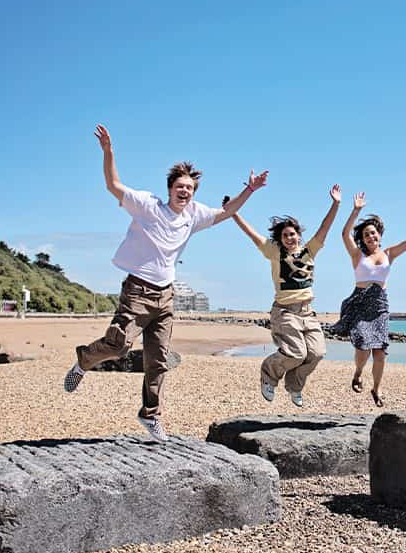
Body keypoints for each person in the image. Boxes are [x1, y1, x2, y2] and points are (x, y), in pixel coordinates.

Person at [63, 124, 268, 441]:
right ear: (170, 187)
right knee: (118, 345)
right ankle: (83, 360)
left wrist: (250, 190)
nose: (185, 191)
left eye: (190, 188)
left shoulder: (194, 215)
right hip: (137, 291)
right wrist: (108, 151)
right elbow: (113, 185)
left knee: (157, 360)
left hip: (166, 296)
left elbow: (227, 212)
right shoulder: (148, 206)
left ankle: (150, 415)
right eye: (180, 186)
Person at [225, 184, 342, 407]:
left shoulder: (310, 250)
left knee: (316, 353)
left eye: (293, 234)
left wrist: (335, 204)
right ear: (280, 238)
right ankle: (268, 375)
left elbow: (325, 226)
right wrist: (234, 213)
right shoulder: (274, 252)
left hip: (308, 313)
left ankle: (294, 387)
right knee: (296, 354)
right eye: (285, 235)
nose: (289, 238)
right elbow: (251, 234)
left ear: (299, 236)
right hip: (285, 312)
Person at [332, 192, 406, 407]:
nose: (370, 238)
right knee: (363, 347)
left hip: (380, 305)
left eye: (373, 234)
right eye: (366, 235)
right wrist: (356, 210)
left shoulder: (389, 254)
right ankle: (357, 373)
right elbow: (345, 233)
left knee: (380, 352)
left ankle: (377, 388)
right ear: (362, 239)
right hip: (360, 302)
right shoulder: (357, 256)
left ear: (379, 235)